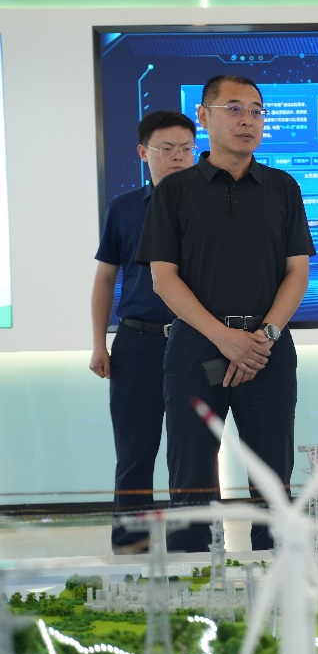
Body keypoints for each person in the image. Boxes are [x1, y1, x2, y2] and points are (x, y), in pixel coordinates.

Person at [137, 75, 315, 553]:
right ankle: (193, 581)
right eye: (234, 109)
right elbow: (164, 279)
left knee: (273, 478)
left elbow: (297, 273)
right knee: (191, 478)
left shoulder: (282, 186)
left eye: (256, 111)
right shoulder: (175, 191)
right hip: (196, 349)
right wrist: (224, 338)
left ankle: (277, 580)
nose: (248, 120)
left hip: (267, 350)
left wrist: (265, 335)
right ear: (204, 116)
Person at [90, 110, 196, 554]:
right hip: (137, 341)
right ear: (143, 152)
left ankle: (190, 548)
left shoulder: (210, 206)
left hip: (194, 341)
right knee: (135, 451)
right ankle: (130, 547)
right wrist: (98, 343)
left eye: (186, 149)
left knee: (191, 454)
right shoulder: (124, 208)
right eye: (166, 149)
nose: (178, 157)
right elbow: (105, 279)